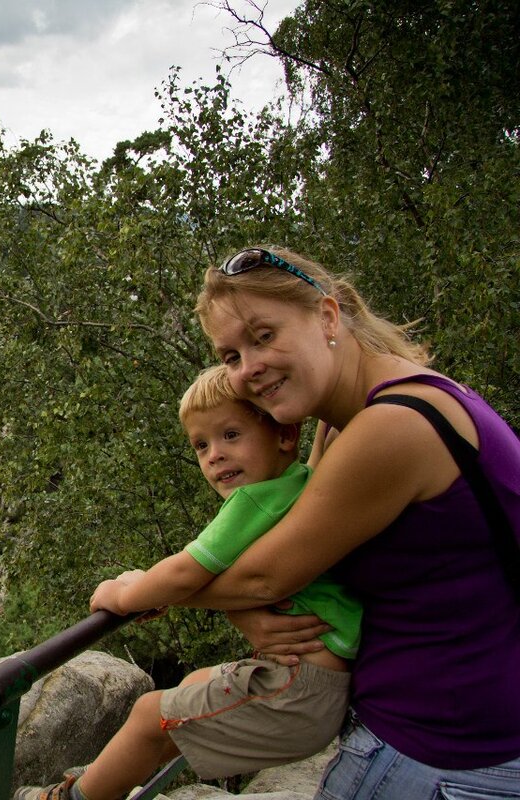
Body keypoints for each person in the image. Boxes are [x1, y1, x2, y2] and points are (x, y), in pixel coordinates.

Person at [186, 247, 520, 799]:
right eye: (230, 355)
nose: (248, 369)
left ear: (327, 316)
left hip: (442, 754)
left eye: (264, 336)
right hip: (454, 731)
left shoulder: (391, 427)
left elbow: (268, 576)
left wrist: (150, 594)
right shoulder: (352, 419)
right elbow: (296, 552)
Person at [16, 365, 361, 800]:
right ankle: (112, 775)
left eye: (231, 435)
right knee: (194, 681)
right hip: (316, 684)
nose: (214, 454)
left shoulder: (255, 499)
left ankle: (71, 799)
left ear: (285, 436)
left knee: (147, 716)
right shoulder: (299, 485)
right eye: (201, 445)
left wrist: (124, 594)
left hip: (299, 690)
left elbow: (186, 571)